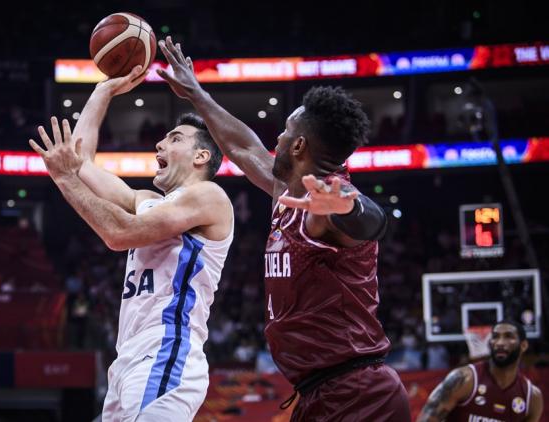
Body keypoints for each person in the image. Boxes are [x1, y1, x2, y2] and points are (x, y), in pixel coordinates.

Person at [157, 36, 410, 421]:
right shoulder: (287, 192)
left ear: (298, 146)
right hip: (317, 392)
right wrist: (196, 94)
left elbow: (372, 222)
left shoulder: (327, 204)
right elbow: (243, 148)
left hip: (359, 394)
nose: (276, 138)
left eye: (285, 133)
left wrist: (349, 205)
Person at [29, 65, 234, 422]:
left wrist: (64, 179)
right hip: (128, 357)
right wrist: (102, 91)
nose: (160, 143)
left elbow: (118, 234)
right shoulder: (147, 202)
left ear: (201, 157)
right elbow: (81, 165)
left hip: (166, 349)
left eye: (175, 138)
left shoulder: (208, 196)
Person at [417, 321, 543, 422]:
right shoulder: (464, 379)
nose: (500, 343)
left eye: (508, 336)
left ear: (524, 346)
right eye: (495, 337)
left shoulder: (532, 397)